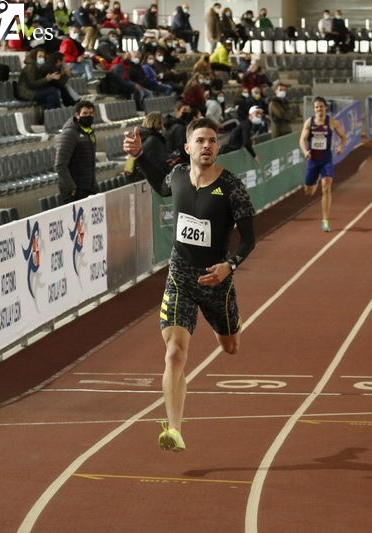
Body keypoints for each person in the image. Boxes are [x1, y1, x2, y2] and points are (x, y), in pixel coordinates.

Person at [122, 117, 256, 451]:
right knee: (174, 355)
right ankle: (174, 429)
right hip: (181, 275)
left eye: (212, 140)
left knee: (230, 347)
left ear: (218, 146)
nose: (207, 146)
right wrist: (139, 157)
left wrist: (230, 265)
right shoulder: (179, 175)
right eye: (200, 141)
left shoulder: (230, 186)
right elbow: (161, 185)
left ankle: (227, 323)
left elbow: (250, 237)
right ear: (188, 147)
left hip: (216, 278)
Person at [298, 96, 347, 233]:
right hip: (312, 160)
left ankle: (325, 220)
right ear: (314, 109)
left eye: (321, 106)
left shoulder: (332, 122)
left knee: (326, 188)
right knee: (309, 192)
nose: (319, 109)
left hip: (326, 159)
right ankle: (315, 180)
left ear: (325, 107)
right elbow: (302, 139)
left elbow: (343, 137)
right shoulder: (309, 122)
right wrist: (305, 151)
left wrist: (341, 147)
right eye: (316, 107)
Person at [54, 100, 98, 204]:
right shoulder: (70, 133)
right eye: (85, 113)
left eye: (91, 113)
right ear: (77, 115)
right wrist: (72, 189)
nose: (88, 116)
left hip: (88, 188)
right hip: (75, 192)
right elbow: (60, 164)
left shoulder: (89, 133)